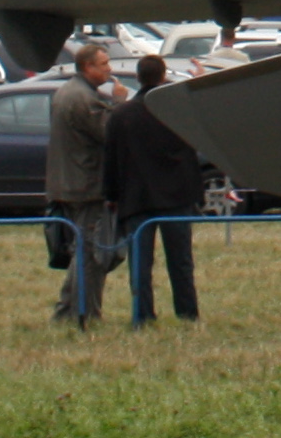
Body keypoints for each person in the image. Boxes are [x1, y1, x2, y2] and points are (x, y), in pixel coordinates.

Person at [107, 54, 209, 326]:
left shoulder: (122, 114)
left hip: (137, 197)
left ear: (138, 77)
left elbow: (112, 159)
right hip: (177, 195)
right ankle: (188, 313)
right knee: (181, 261)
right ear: (163, 76)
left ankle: (142, 315)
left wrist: (111, 195)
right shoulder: (178, 110)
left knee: (140, 265)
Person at [46, 42, 123, 325]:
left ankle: (70, 309)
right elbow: (110, 133)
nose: (109, 69)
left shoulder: (67, 92)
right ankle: (82, 313)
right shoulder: (84, 99)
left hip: (70, 183)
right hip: (85, 185)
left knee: (83, 250)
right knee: (91, 254)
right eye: (104, 64)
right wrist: (118, 103)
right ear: (88, 67)